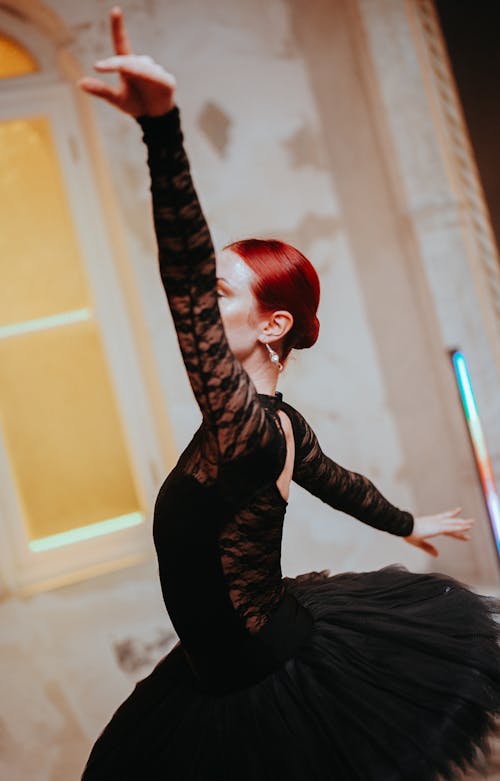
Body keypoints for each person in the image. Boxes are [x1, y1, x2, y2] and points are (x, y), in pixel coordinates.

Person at [79, 7, 500, 780]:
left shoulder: (244, 424)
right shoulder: (281, 425)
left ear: (272, 324)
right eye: (211, 292)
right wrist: (406, 522)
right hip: (223, 674)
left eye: (222, 293)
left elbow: (180, 274)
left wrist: (163, 131)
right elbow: (338, 481)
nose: (205, 306)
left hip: (264, 687)